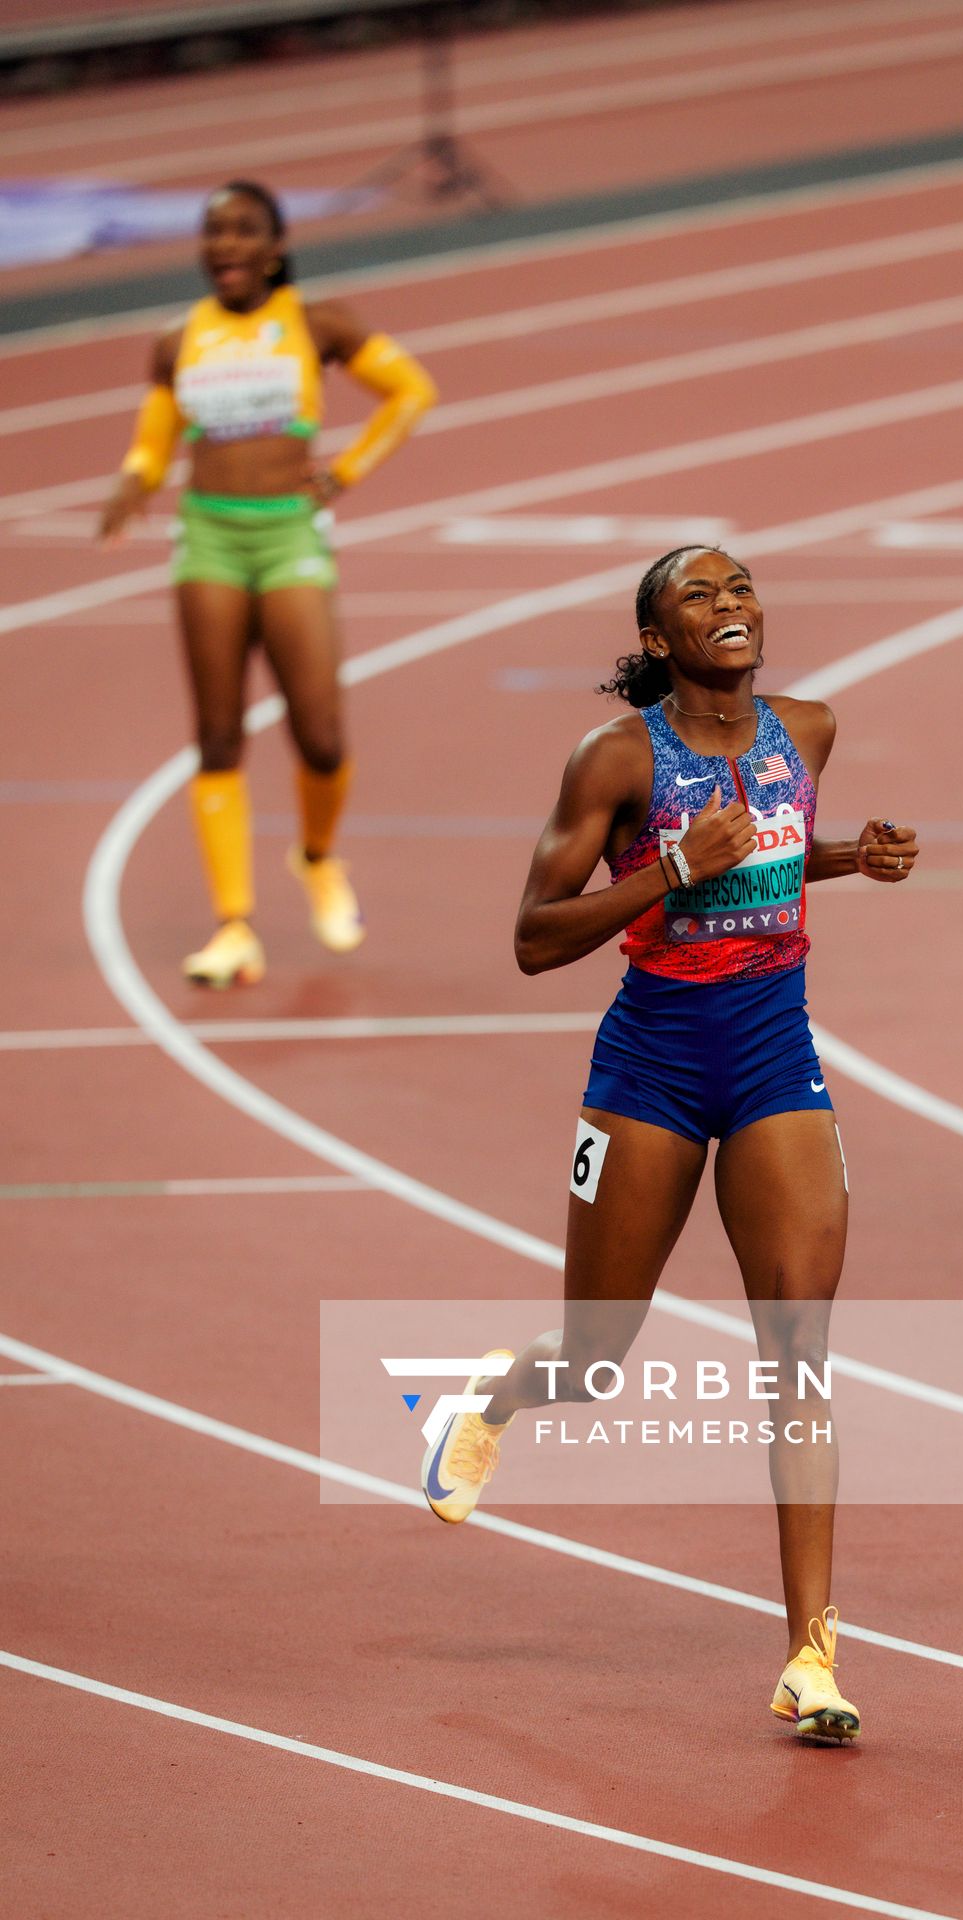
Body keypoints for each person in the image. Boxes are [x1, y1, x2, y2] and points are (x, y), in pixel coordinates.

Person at [422, 544, 919, 1743]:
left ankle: (809, 1658)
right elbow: (534, 939)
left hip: (774, 1058)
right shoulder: (614, 758)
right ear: (656, 639)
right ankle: (492, 1393)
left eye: (739, 587)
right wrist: (667, 872)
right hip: (648, 1068)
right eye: (699, 595)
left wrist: (850, 856)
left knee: (798, 1354)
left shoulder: (807, 730)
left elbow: (772, 854)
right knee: (597, 1355)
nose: (729, 605)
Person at [99, 179, 437, 986]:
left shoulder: (318, 324)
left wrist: (345, 472)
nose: (225, 244)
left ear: (276, 247)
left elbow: (411, 391)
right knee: (218, 736)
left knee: (320, 736)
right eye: (214, 230)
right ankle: (234, 927)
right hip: (209, 538)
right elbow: (154, 441)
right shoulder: (178, 339)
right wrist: (135, 478)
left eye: (244, 229)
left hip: (289, 536)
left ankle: (317, 857)